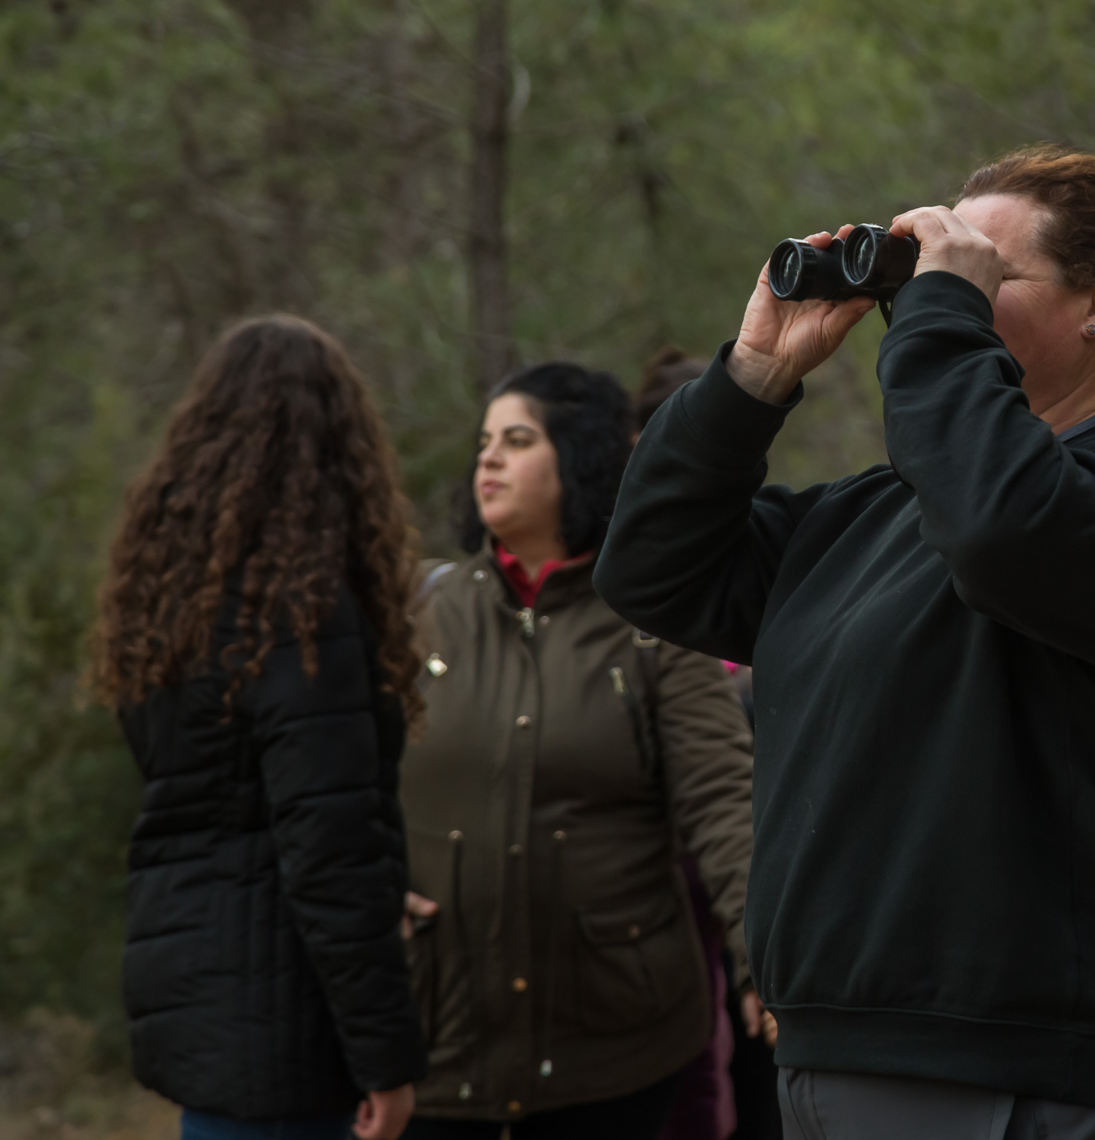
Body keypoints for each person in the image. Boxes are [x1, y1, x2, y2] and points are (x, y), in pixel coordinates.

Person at [595, 145, 1095, 1139]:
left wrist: (936, 325)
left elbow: (1003, 525)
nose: (935, 295)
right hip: (845, 1066)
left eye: (981, 271)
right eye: (931, 274)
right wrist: (756, 372)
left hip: (1052, 1083)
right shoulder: (864, 521)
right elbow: (651, 562)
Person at [398, 361, 760, 1140]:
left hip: (617, 1053)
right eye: (484, 442)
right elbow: (342, 789)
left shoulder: (656, 620)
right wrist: (367, 891)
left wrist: (767, 959)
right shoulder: (418, 614)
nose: (486, 459)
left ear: (585, 457)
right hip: (435, 1046)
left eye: (517, 440)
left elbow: (723, 803)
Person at [92, 316, 427, 1140]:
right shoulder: (303, 620)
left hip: (203, 1007)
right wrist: (387, 1060)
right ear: (339, 452)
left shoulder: (174, 609)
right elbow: (327, 855)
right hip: (287, 1033)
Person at [633, 346, 782, 1140]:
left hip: (747, 886)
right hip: (663, 912)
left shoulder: (758, 555)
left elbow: (730, 796)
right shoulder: (635, 583)